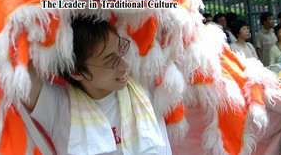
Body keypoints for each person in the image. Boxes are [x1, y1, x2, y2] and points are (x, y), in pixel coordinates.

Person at [25, 16, 172, 155]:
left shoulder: (144, 79)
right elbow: (18, 68)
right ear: (76, 72)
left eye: (121, 49)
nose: (124, 65)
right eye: (109, 61)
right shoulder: (58, 108)